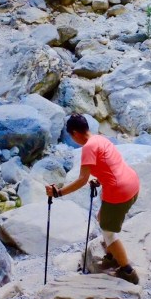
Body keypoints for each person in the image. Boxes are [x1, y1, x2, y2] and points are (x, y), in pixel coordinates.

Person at [45, 114, 141, 285]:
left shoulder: (88, 147)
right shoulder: (100, 139)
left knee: (108, 232)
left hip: (119, 192)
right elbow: (109, 164)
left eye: (71, 136)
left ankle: (128, 272)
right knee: (101, 218)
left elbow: (82, 179)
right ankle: (112, 255)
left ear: (74, 133)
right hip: (132, 184)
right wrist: (100, 179)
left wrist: (58, 193)